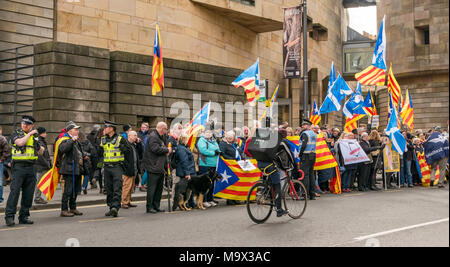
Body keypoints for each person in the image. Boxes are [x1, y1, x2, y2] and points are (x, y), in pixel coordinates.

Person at [5, 116, 45, 226]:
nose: (24, 125)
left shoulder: (35, 137)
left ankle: (24, 216)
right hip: (19, 167)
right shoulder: (16, 133)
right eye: (23, 123)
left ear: (32, 126)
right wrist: (30, 134)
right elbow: (20, 143)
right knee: (14, 192)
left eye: (27, 124)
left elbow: (41, 152)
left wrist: (39, 143)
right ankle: (9, 216)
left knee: (28, 194)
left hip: (31, 167)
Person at [99, 121, 129, 217]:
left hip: (117, 167)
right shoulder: (103, 139)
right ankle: (110, 206)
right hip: (107, 167)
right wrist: (99, 167)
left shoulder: (120, 139)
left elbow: (128, 151)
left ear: (111, 128)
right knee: (108, 188)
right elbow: (100, 153)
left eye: (106, 127)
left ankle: (115, 207)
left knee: (117, 187)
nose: (104, 129)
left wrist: (122, 147)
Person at [143, 122, 171, 214]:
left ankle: (156, 206)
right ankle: (149, 207)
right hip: (153, 166)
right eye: (165, 129)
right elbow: (155, 149)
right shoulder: (153, 137)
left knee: (159, 189)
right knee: (152, 189)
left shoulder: (161, 137)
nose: (166, 131)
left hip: (160, 167)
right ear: (162, 128)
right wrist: (167, 150)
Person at [58, 122, 85, 217]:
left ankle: (73, 208)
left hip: (77, 168)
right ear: (70, 131)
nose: (78, 131)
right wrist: (71, 141)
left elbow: (78, 152)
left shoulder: (76, 140)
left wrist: (84, 156)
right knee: (68, 190)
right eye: (76, 129)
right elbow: (63, 149)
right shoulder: (64, 139)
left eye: (78, 129)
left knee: (76, 189)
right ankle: (64, 209)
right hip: (69, 169)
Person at [197, 130, 220, 208]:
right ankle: (204, 200)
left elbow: (218, 149)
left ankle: (210, 199)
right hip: (205, 164)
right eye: (206, 132)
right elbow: (203, 150)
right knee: (204, 184)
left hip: (213, 165)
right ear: (203, 133)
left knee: (211, 184)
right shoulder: (201, 140)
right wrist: (213, 153)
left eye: (210, 132)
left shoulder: (214, 141)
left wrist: (218, 151)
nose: (208, 134)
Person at [299, 119, 317, 200]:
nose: (302, 126)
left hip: (305, 155)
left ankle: (304, 194)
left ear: (308, 126)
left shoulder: (305, 134)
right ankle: (312, 194)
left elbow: (303, 145)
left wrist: (300, 154)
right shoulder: (313, 133)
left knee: (304, 175)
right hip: (312, 155)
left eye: (304, 125)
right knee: (311, 174)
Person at [33, 127, 51, 204]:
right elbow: (40, 156)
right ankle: (37, 198)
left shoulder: (42, 141)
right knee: (39, 182)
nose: (46, 134)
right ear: (41, 133)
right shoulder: (40, 142)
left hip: (43, 165)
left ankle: (39, 197)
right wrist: (47, 164)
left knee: (41, 182)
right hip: (41, 166)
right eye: (44, 132)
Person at [122, 131, 139, 209]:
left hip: (134, 169)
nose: (136, 137)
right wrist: (126, 166)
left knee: (131, 187)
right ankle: (124, 202)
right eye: (134, 135)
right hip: (127, 170)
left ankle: (128, 201)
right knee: (127, 186)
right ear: (129, 136)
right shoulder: (126, 144)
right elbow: (124, 157)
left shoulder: (134, 145)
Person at [0, 126, 11, 204]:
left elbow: (7, 150)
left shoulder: (2, 139)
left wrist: (1, 159)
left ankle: (0, 199)